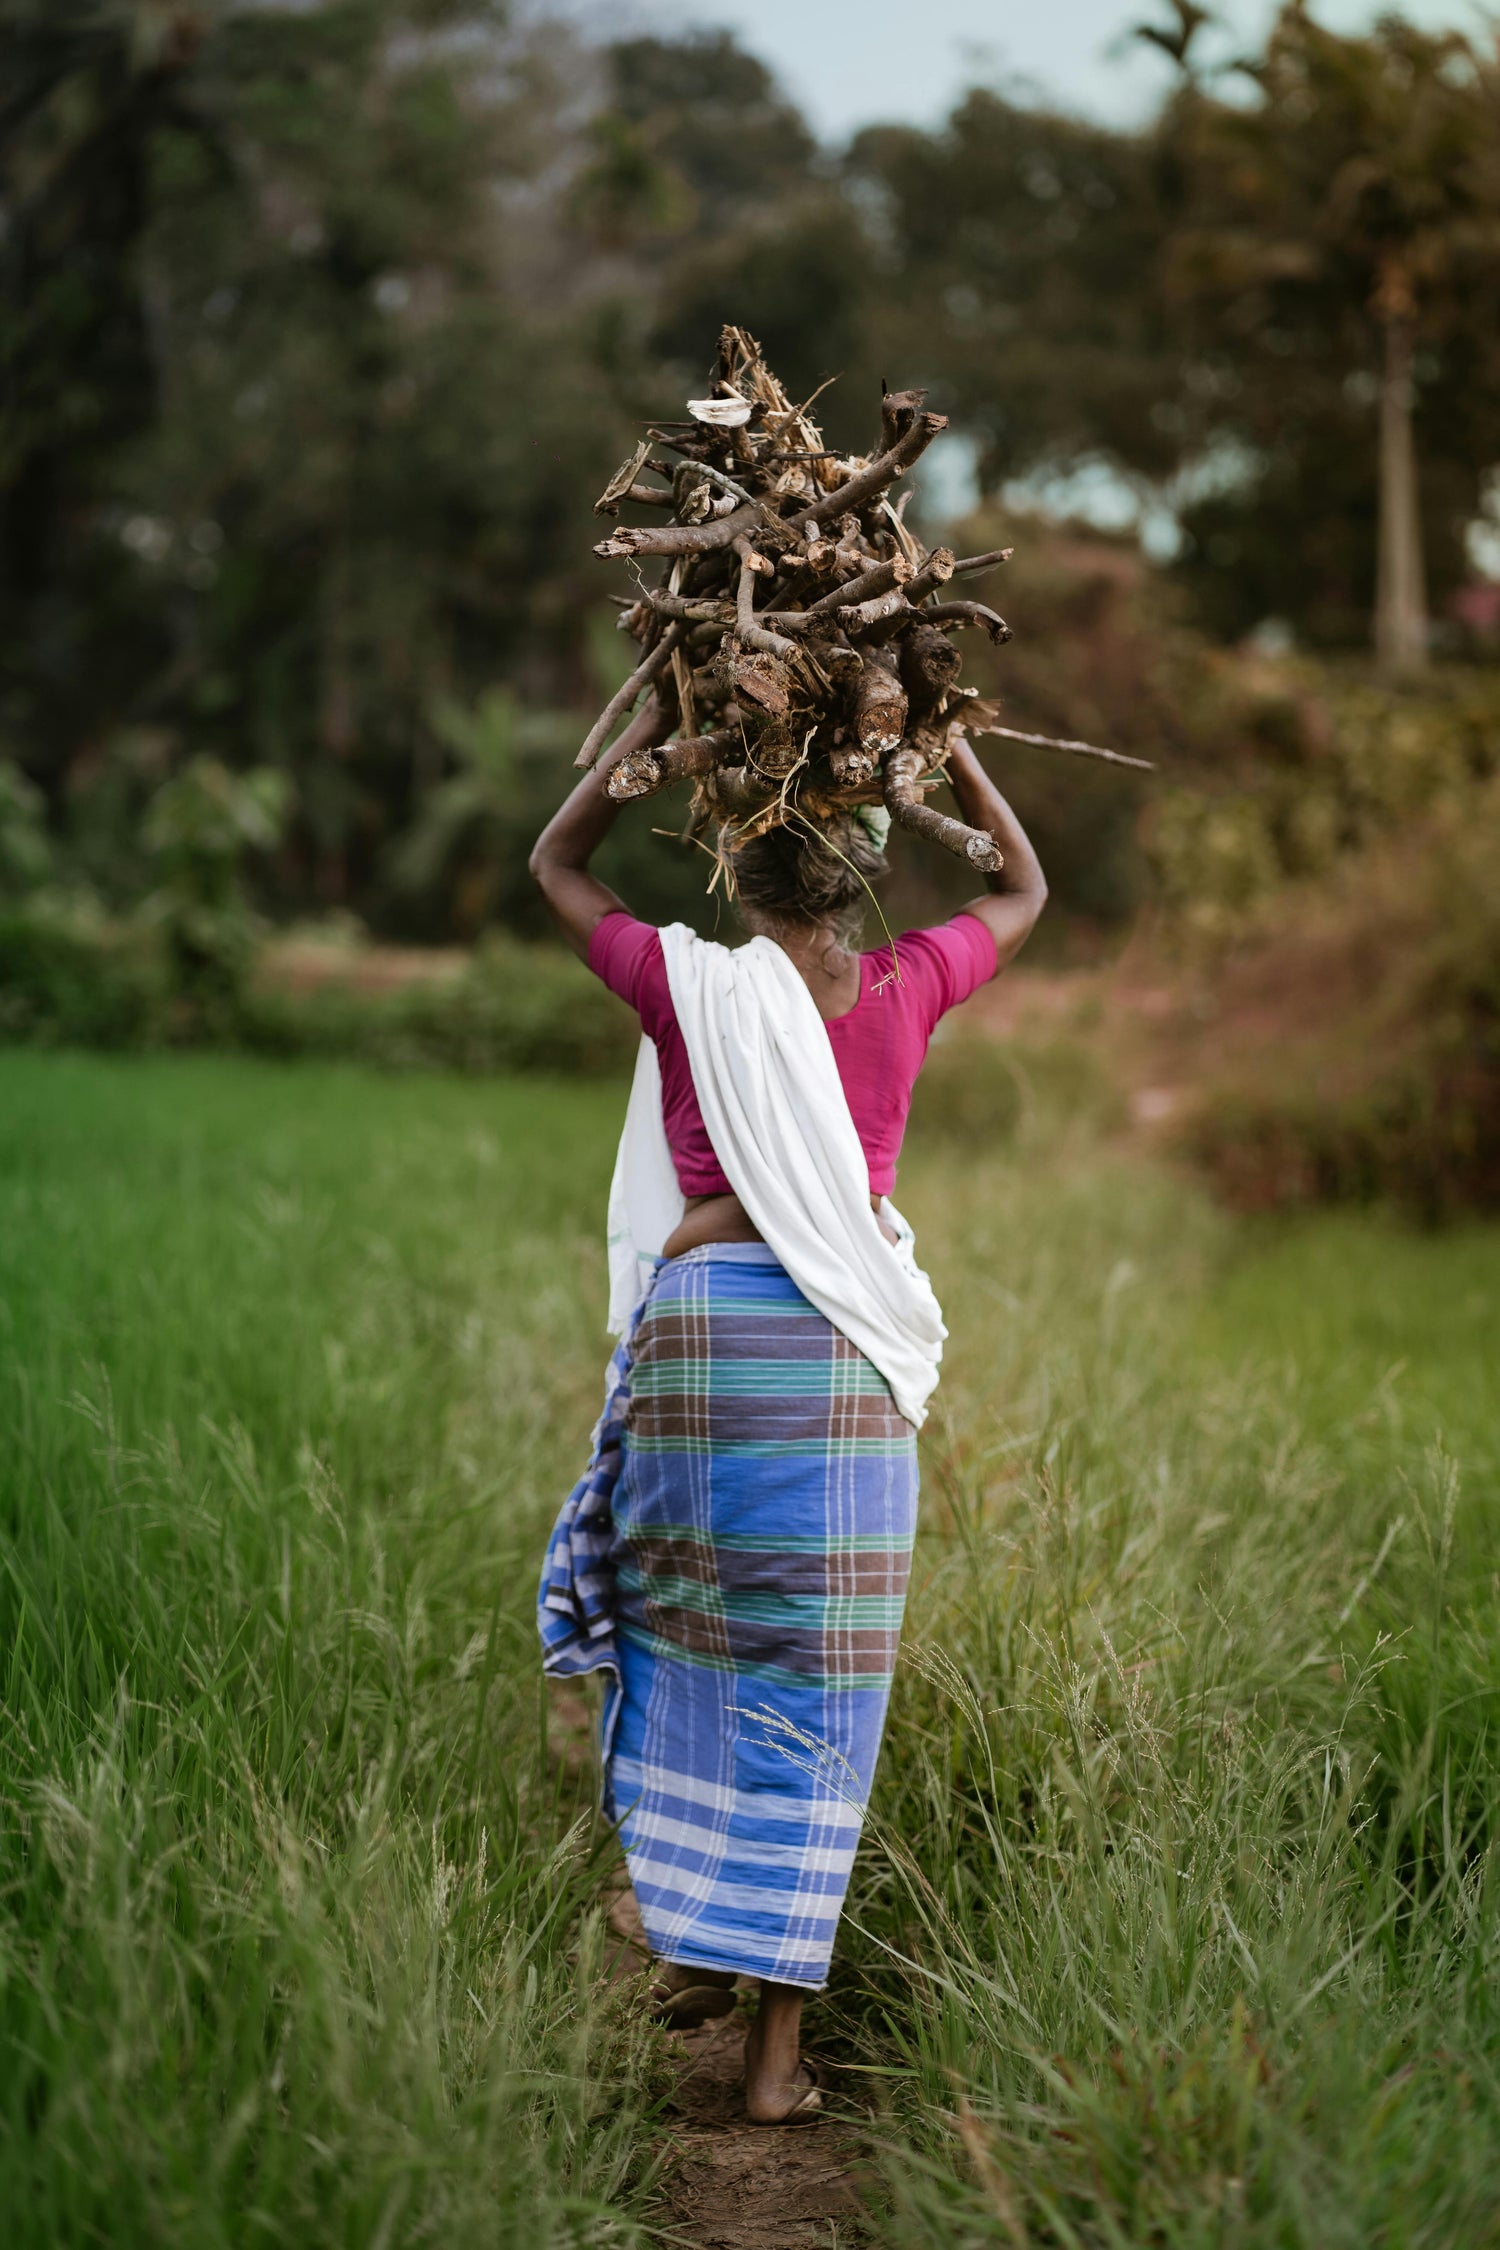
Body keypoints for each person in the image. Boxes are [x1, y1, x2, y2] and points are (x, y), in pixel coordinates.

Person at [531, 733, 1046, 2124]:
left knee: (686, 1631)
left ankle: (684, 1916)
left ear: (734, 870)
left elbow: (555, 864)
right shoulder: (907, 983)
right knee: (822, 1698)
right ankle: (772, 2063)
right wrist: (957, 764)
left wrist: (627, 763)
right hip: (838, 1352)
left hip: (704, 1338)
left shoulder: (687, 985)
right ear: (865, 874)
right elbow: (1024, 893)